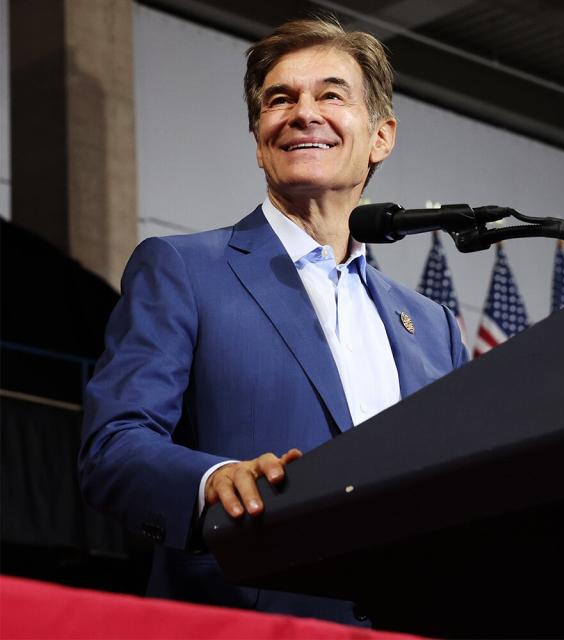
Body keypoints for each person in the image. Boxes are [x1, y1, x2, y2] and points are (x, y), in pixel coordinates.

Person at [78, 17, 468, 623]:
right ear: (260, 139)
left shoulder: (433, 327)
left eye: (331, 95)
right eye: (279, 99)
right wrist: (213, 479)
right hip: (249, 619)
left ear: (381, 136)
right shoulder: (184, 269)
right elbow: (113, 447)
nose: (302, 112)